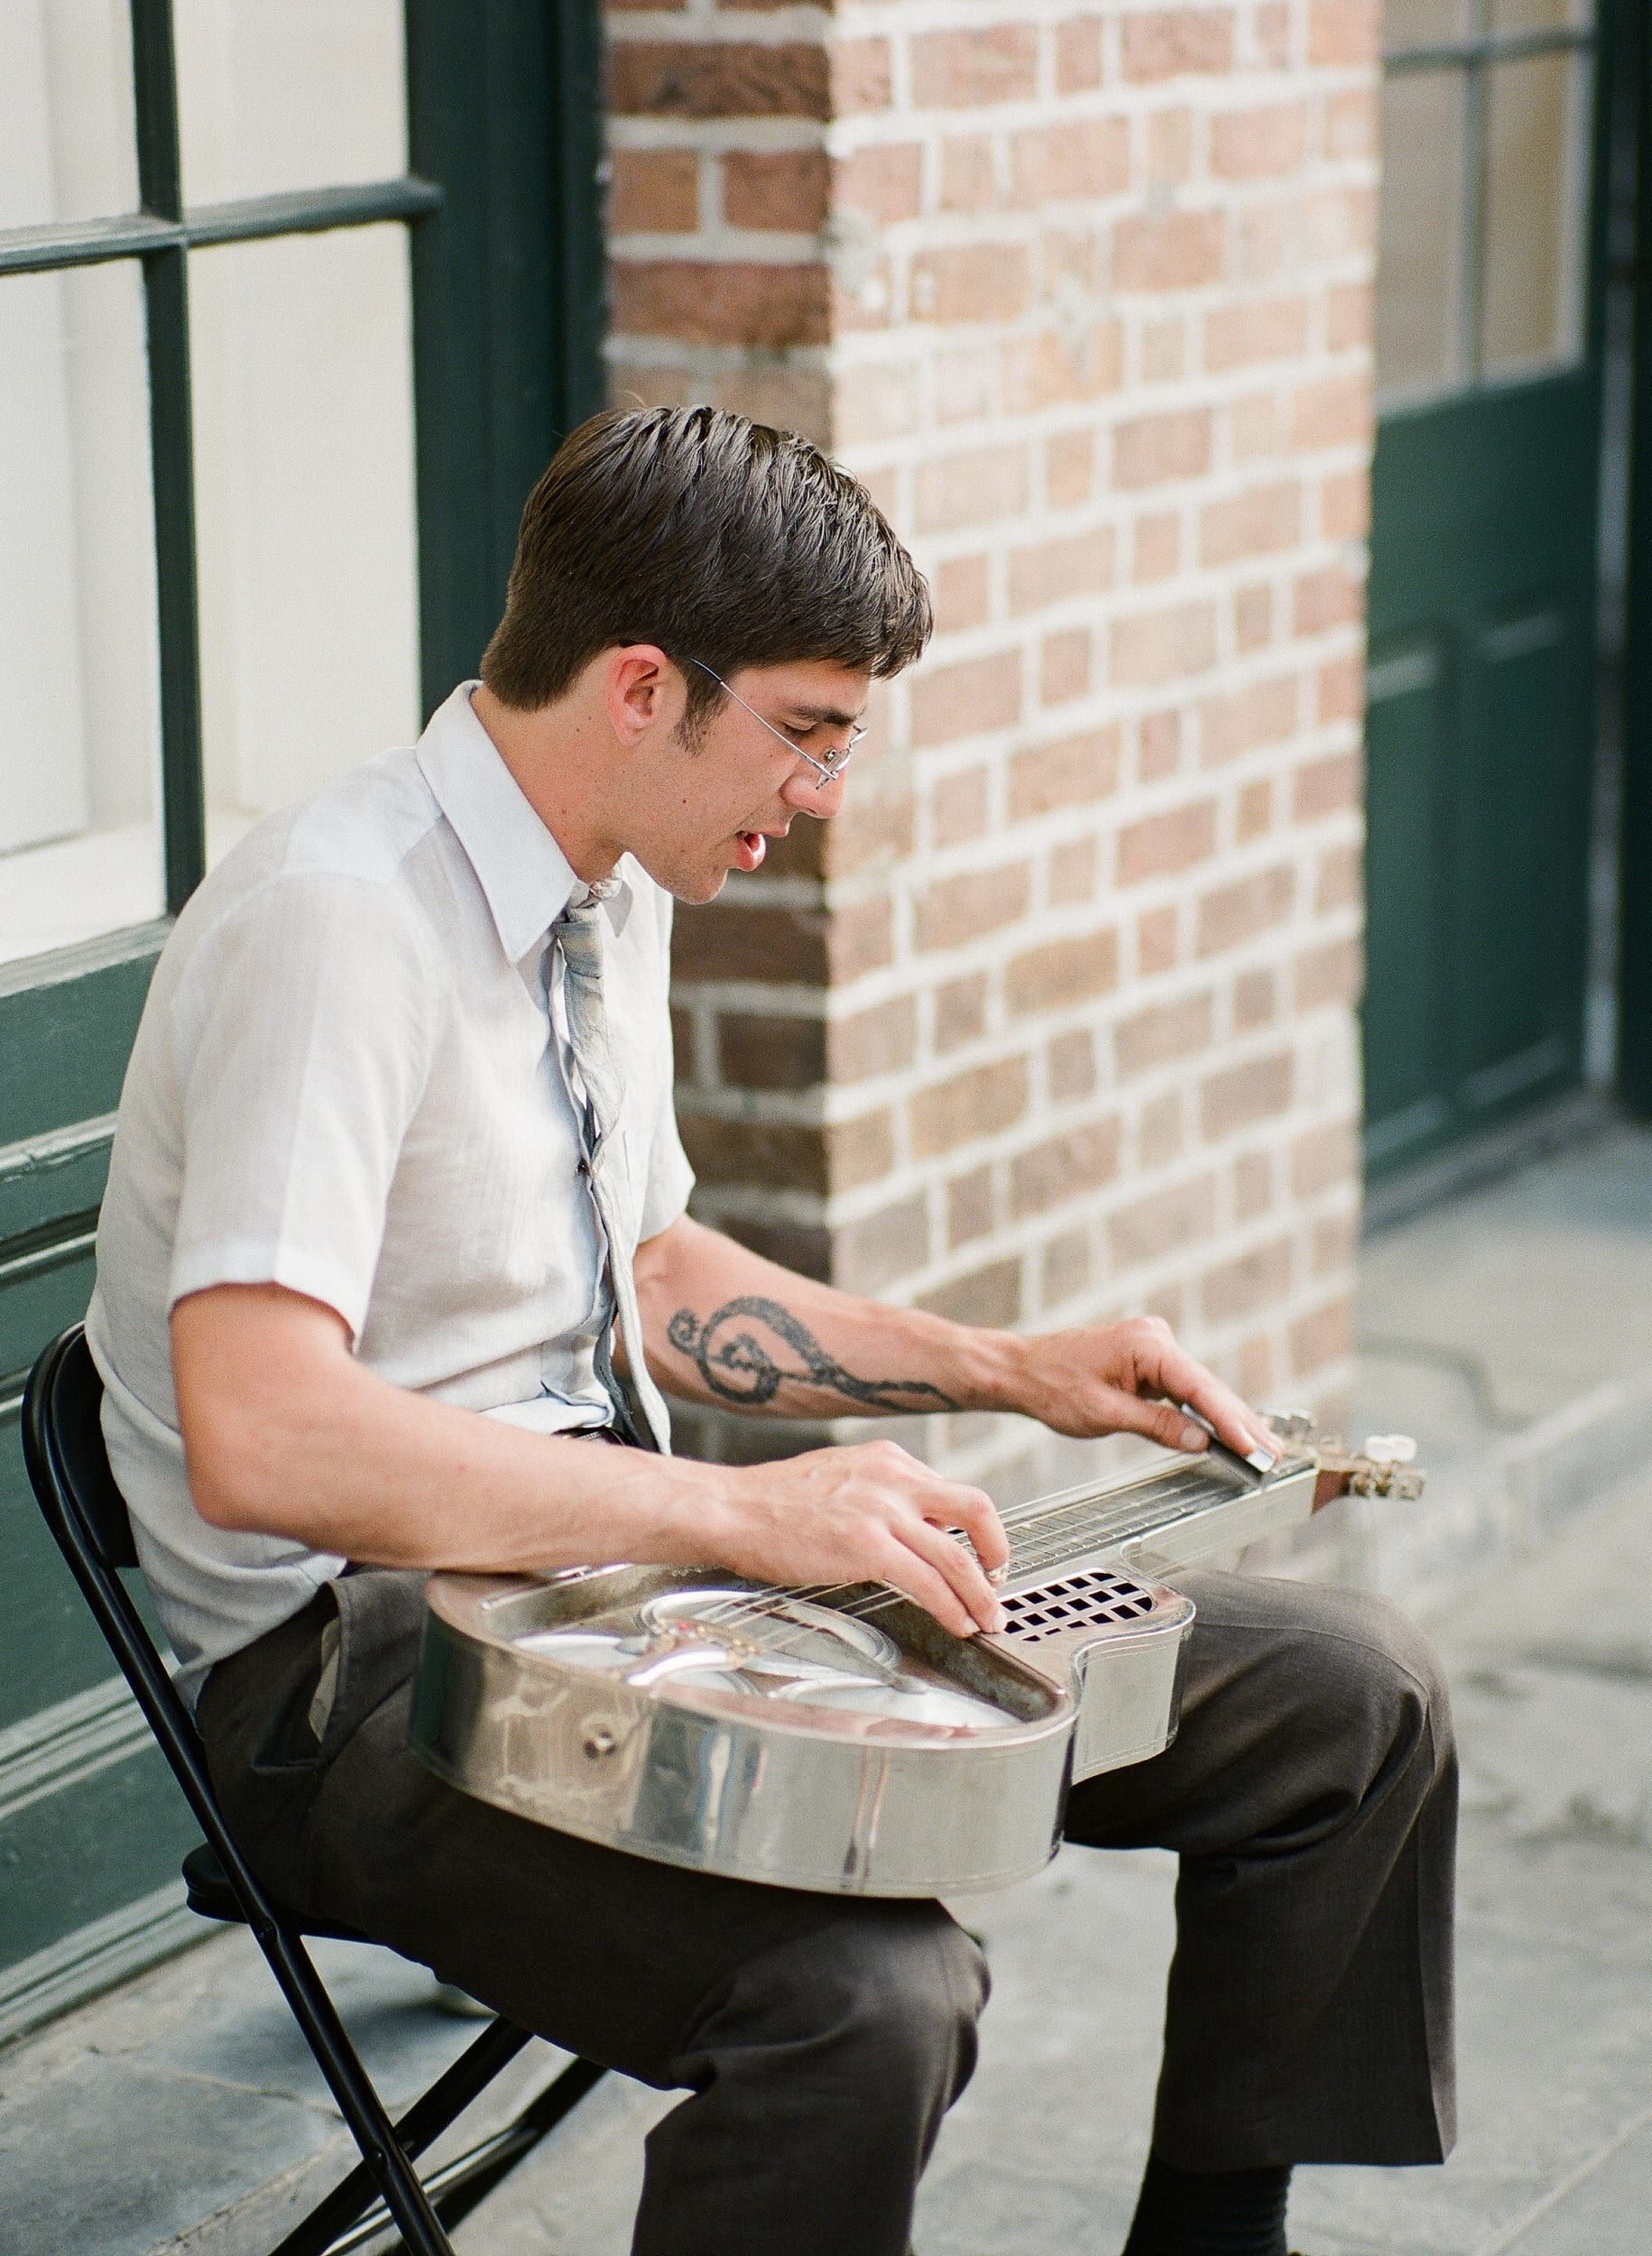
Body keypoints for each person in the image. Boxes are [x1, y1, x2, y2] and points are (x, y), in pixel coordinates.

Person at [87, 406, 1455, 2256]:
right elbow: (266, 1433)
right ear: (643, 686)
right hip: (355, 1682)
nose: (822, 794)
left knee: (1351, 1699)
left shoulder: (605, 884)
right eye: (809, 733)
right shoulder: (340, 924)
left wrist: (1009, 1366)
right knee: (865, 2000)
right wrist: (743, 1517)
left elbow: (648, 1268)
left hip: (624, 1591)